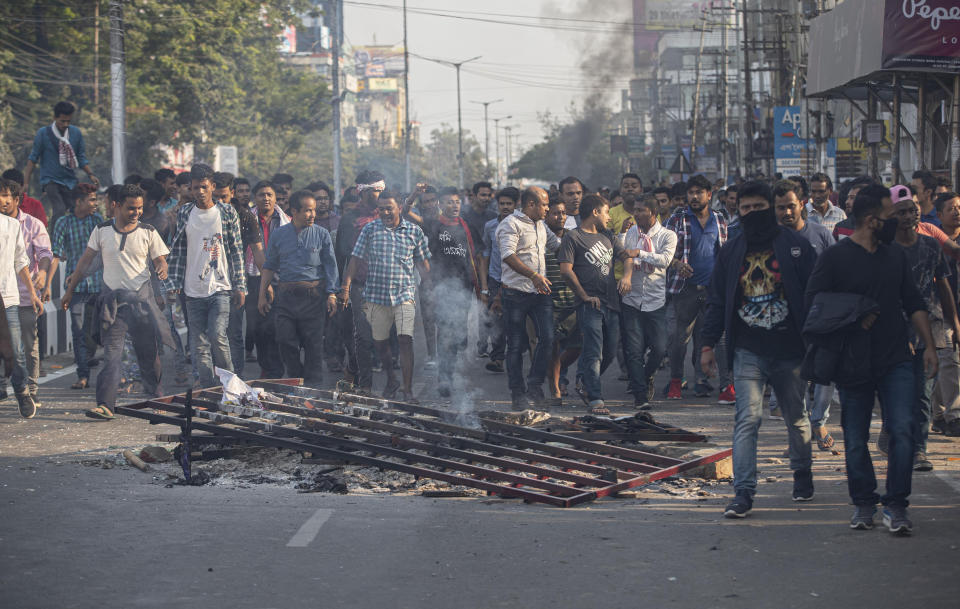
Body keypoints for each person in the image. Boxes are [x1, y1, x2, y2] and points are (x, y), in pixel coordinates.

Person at [806, 183, 938, 534]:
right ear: (871, 220)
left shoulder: (894, 255)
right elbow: (814, 300)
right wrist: (853, 314)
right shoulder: (836, 257)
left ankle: (896, 505)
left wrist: (930, 347)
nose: (897, 221)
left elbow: (914, 303)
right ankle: (864, 503)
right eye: (890, 216)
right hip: (853, 360)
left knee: (902, 431)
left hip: (896, 357)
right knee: (854, 436)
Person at [700, 180, 817, 518]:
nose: (751, 213)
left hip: (791, 350)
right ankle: (744, 492)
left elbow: (814, 296)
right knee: (747, 420)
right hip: (748, 349)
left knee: (796, 418)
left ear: (771, 207)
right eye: (745, 208)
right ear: (738, 211)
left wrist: (818, 342)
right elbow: (718, 300)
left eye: (758, 208)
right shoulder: (732, 251)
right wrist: (708, 344)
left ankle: (802, 473)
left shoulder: (797, 247)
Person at [62, 184, 172, 421]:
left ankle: (156, 397)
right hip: (113, 306)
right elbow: (84, 263)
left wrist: (161, 268)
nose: (136, 212)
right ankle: (105, 405)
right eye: (131, 208)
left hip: (142, 304)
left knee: (149, 355)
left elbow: (160, 260)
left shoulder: (148, 231)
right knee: (111, 355)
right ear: (117, 206)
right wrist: (69, 292)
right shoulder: (101, 231)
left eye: (140, 208)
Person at [885, 187, 960, 472]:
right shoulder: (884, 248)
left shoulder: (930, 246)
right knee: (895, 390)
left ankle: (919, 449)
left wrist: (955, 324)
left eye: (913, 209)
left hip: (929, 328)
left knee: (922, 392)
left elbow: (942, 287)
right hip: (892, 330)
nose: (909, 216)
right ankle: (894, 432)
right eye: (901, 211)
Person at [341, 190, 430, 403]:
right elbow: (355, 259)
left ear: (400, 207)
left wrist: (430, 290)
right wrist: (346, 286)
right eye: (381, 209)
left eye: (389, 208)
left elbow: (424, 265)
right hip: (375, 295)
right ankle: (391, 379)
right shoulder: (370, 229)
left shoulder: (414, 231)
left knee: (405, 340)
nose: (385, 212)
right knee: (380, 343)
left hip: (404, 295)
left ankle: (407, 390)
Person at [165, 163, 246, 389]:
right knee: (198, 343)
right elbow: (179, 250)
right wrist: (173, 281)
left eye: (203, 187)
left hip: (221, 287)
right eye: (195, 188)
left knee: (218, 336)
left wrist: (240, 286)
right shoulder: (185, 212)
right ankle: (208, 387)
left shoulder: (228, 212)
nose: (199, 192)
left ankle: (230, 384)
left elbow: (236, 250)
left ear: (212, 186)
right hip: (192, 289)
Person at [258, 190, 338, 387]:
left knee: (313, 345)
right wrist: (262, 295)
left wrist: (332, 294)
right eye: (307, 211)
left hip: (313, 297)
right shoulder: (279, 235)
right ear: (294, 211)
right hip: (285, 297)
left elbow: (330, 265)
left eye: (313, 211)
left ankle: (314, 390)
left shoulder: (322, 234)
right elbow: (269, 266)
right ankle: (295, 380)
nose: (312, 215)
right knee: (285, 340)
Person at [664, 174, 732, 402]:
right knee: (678, 339)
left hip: (713, 289)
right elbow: (663, 253)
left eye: (698, 192)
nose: (694, 197)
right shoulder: (677, 219)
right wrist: (677, 264)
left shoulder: (720, 219)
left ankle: (726, 386)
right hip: (685, 289)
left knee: (718, 339)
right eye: (690, 193)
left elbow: (725, 254)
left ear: (709, 195)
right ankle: (675, 382)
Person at [496, 186, 559, 409]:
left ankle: (535, 384)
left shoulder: (540, 225)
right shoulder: (510, 224)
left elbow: (556, 246)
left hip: (540, 292)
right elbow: (508, 256)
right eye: (544, 204)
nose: (547, 209)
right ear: (531, 204)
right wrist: (533, 275)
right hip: (515, 292)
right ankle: (517, 393)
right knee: (514, 345)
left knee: (548, 339)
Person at [622, 194, 677, 410]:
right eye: (634, 209)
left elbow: (665, 260)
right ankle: (639, 395)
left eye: (640, 210)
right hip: (632, 299)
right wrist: (624, 235)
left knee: (660, 347)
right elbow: (622, 253)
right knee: (633, 350)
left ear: (652, 214)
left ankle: (645, 377)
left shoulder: (667, 235)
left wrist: (641, 253)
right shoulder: (631, 232)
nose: (635, 214)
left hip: (655, 300)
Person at [0, 176, 52, 408]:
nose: (1, 201)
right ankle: (4, 386)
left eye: (5, 196)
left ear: (16, 199)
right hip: (6, 297)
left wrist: (40, 277)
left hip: (19, 294)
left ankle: (29, 389)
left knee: (26, 345)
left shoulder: (30, 225)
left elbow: (41, 254)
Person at [423, 187, 480, 397]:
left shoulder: (467, 227)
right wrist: (430, 284)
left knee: (459, 335)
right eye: (449, 202)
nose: (454, 205)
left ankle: (450, 369)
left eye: (456, 202)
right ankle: (444, 377)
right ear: (440, 205)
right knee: (445, 332)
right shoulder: (434, 226)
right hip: (442, 288)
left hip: (464, 288)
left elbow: (477, 257)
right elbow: (427, 258)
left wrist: (480, 287)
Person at [47, 183, 103, 390]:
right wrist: (46, 285)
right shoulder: (63, 222)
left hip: (99, 284)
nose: (95, 204)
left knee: (106, 330)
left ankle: (116, 374)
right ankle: (83, 376)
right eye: (91, 200)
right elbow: (56, 254)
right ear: (78, 202)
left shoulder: (98, 221)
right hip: (76, 288)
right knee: (79, 333)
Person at [334, 170, 384, 392]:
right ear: (362, 192)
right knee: (362, 337)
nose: (380, 195)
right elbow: (342, 256)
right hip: (360, 286)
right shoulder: (350, 219)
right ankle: (365, 387)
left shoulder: (388, 214)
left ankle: (353, 370)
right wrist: (339, 289)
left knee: (379, 338)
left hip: (387, 286)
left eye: (382, 190)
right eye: (376, 191)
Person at [213, 172, 265, 378]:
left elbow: (258, 251)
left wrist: (266, 281)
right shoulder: (200, 213)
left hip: (235, 280)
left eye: (223, 197)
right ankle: (213, 378)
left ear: (231, 193)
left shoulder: (245, 216)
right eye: (215, 197)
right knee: (213, 334)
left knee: (233, 333)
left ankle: (235, 378)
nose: (219, 202)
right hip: (207, 282)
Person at [23, 101, 100, 225]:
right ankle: (54, 241)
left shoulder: (76, 133)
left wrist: (90, 174)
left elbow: (81, 158)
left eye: (68, 121)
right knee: (59, 209)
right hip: (50, 180)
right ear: (55, 118)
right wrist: (26, 183)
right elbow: (33, 159)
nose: (65, 124)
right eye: (62, 121)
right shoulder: (43, 133)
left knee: (77, 209)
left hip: (69, 180)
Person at [247, 180, 289, 379]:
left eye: (269, 194)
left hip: (281, 279)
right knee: (259, 327)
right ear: (255, 198)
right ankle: (267, 368)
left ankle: (277, 369)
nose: (266, 198)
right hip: (254, 279)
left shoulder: (286, 220)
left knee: (279, 327)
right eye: (261, 194)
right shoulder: (247, 219)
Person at [481, 187, 518, 375]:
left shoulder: (522, 225)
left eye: (509, 204)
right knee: (496, 319)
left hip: (517, 279)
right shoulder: (490, 226)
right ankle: (497, 358)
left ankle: (515, 357)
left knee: (514, 321)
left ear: (516, 205)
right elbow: (486, 253)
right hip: (496, 277)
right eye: (502, 204)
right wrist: (485, 285)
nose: (505, 207)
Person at [544, 199, 578, 404]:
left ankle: (555, 373)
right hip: (550, 298)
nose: (561, 217)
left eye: (563, 213)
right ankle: (555, 387)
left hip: (573, 297)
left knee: (578, 344)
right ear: (546, 215)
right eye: (555, 213)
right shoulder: (540, 239)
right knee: (554, 346)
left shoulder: (573, 237)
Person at [463, 182, 496, 358]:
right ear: (474, 196)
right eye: (482, 195)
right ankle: (461, 342)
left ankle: (483, 344)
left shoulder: (493, 217)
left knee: (486, 306)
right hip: (467, 268)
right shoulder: (463, 215)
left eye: (488, 195)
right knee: (464, 307)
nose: (485, 198)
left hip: (488, 268)